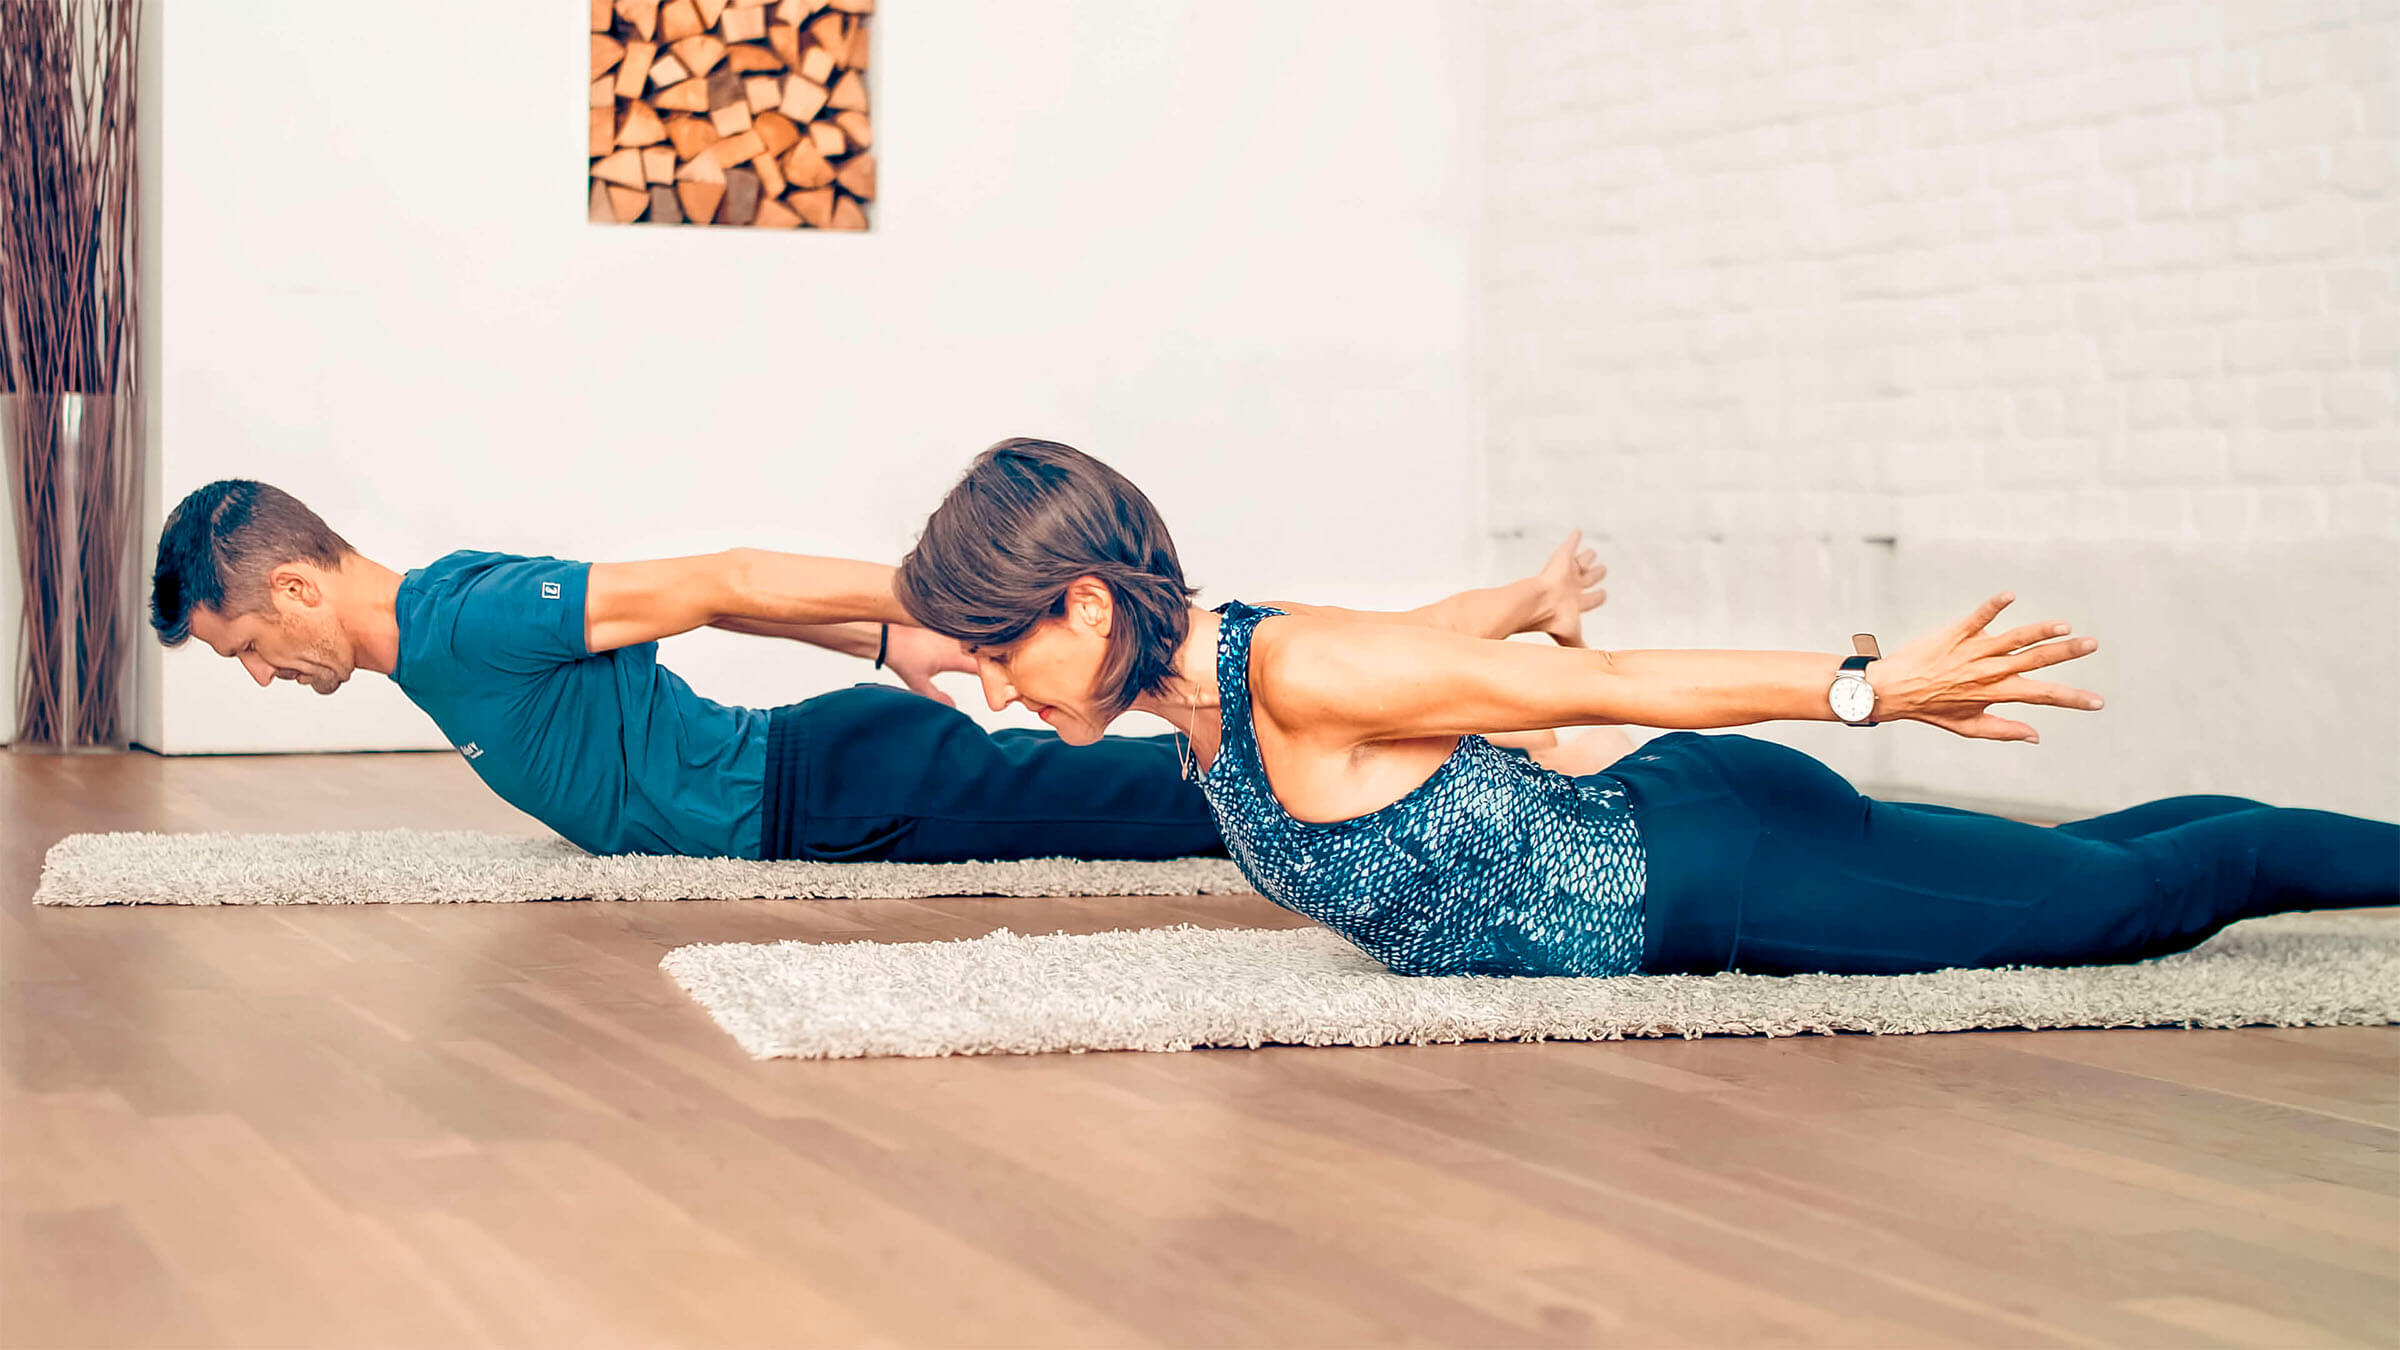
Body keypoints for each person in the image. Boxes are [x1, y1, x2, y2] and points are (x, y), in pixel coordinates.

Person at [893, 438, 2400, 977]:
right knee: (2111, 859)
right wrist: (1522, 598)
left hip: (1722, 872)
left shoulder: (1284, 672)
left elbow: (1598, 687)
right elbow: (1418, 640)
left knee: (2135, 902)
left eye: (993, 645)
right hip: (1687, 827)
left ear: (1084, 605)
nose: (986, 681)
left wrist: (1872, 685)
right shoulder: (1217, 683)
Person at [145, 479, 1612, 863]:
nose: (266, 676)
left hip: (836, 790)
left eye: (252, 647)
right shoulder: (428, 634)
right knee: (1206, 713)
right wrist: (890, 637)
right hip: (834, 762)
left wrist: (939, 601)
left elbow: (717, 581)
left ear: (289, 585)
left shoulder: (466, 619)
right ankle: (1502, 631)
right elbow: (718, 621)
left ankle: (1488, 722)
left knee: (1213, 764)